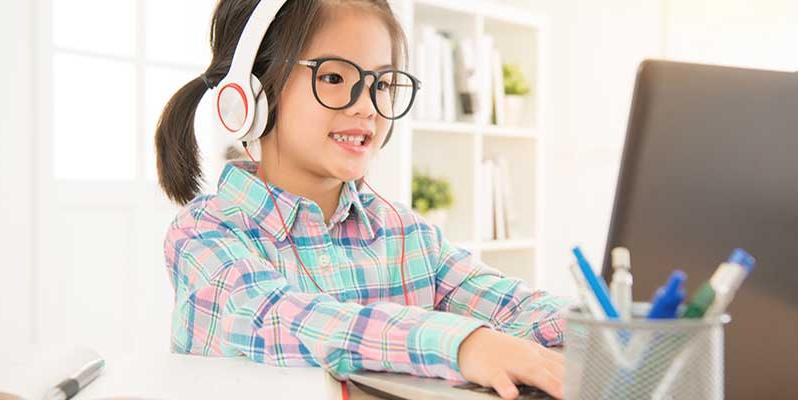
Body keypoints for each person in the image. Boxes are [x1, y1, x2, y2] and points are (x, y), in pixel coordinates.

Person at [154, 1, 568, 398]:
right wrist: (462, 345)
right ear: (251, 93)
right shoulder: (204, 233)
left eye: (383, 84)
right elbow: (276, 318)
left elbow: (515, 307)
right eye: (334, 78)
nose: (367, 106)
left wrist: (609, 327)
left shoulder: (405, 235)